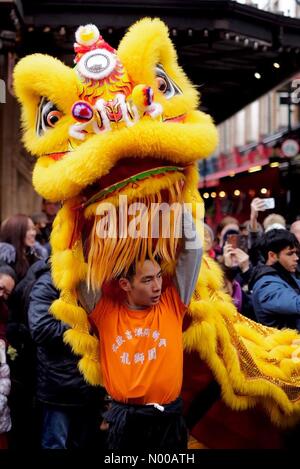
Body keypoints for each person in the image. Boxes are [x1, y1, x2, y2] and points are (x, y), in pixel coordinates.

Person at [85, 208, 202, 451]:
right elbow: (80, 265)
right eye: (147, 280)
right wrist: (93, 219)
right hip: (124, 420)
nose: (157, 286)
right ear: (125, 284)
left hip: (168, 418)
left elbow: (193, 251)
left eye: (159, 277)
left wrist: (176, 205)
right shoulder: (105, 312)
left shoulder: (173, 303)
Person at [27, 260, 106, 449]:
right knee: (56, 444)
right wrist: (82, 321)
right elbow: (40, 329)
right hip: (59, 388)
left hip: (90, 387)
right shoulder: (48, 283)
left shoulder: (93, 283)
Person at [250, 229, 300, 330]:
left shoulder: (284, 274)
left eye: (296, 253)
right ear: (272, 255)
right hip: (284, 344)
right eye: (290, 254)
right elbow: (297, 304)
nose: (296, 258)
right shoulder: (266, 285)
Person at [0, 214, 40, 282]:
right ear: (15, 232)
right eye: (28, 229)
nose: (33, 233)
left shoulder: (33, 254)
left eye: (33, 229)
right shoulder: (5, 256)